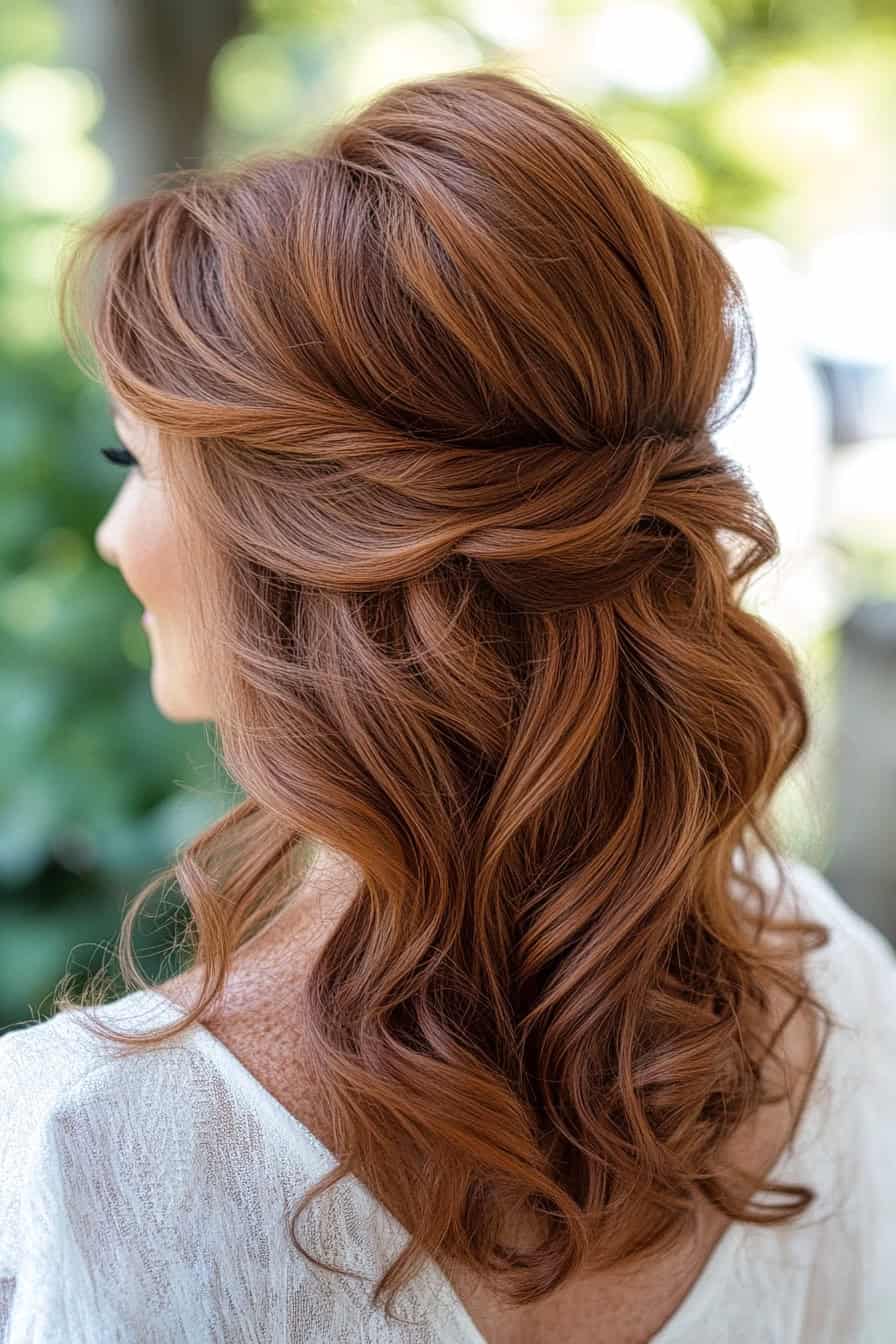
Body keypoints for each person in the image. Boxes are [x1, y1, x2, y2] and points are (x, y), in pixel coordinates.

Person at [1, 68, 894, 1343]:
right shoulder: (830, 993)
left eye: (133, 466)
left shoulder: (87, 1159)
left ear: (307, 543)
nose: (109, 535)